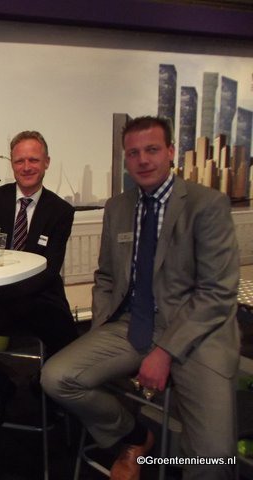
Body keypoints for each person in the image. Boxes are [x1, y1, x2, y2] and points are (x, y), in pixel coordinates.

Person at [42, 116, 240, 479]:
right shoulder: (118, 207)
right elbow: (106, 276)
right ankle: (133, 436)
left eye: (152, 150)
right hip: (132, 324)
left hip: (197, 333)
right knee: (56, 378)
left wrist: (165, 352)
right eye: (133, 153)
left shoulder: (207, 204)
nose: (143, 160)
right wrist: (100, 329)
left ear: (170, 152)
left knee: (213, 457)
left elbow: (217, 292)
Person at [0, 130, 78, 427]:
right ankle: (0, 388)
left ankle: (44, 389)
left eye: (34, 160)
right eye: (20, 160)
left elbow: (49, 269)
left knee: (71, 350)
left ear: (46, 162)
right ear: (12, 163)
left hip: (41, 298)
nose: (27, 166)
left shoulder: (60, 211)